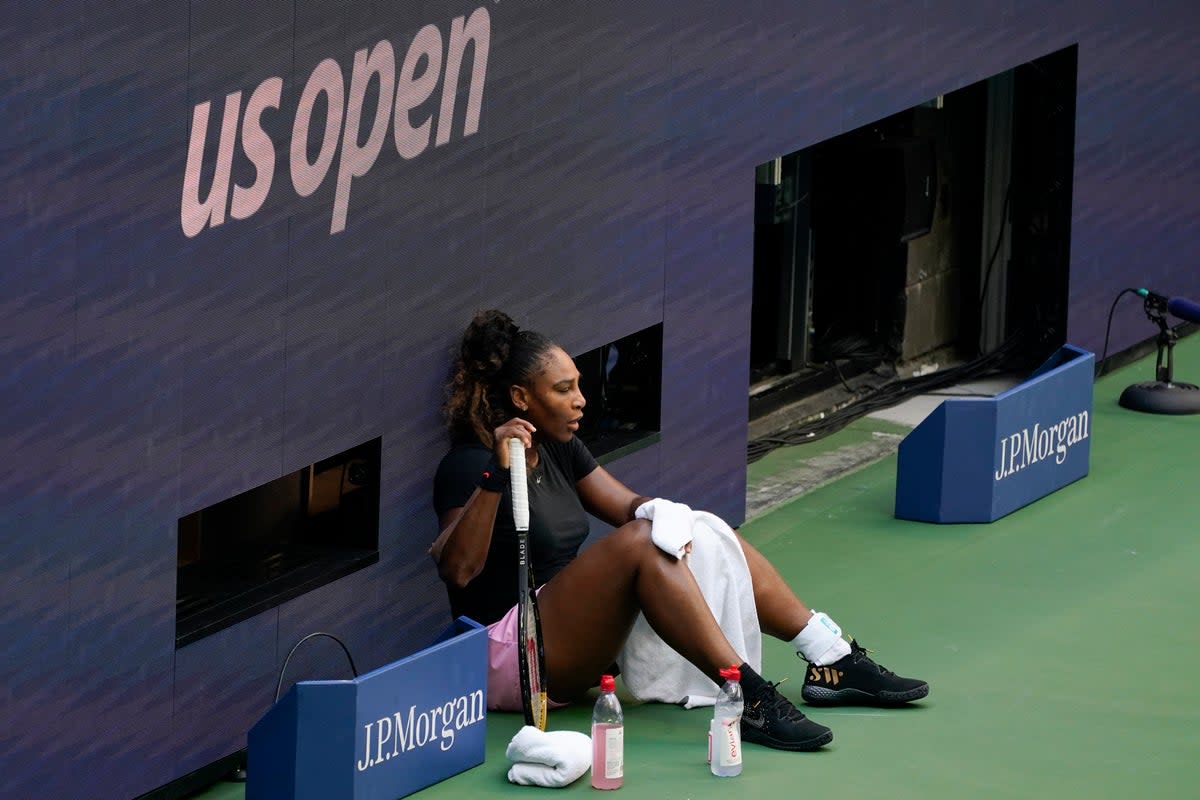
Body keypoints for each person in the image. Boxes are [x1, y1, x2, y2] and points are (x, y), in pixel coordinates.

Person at [430, 309, 928, 751]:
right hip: (507, 656)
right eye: (564, 390)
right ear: (521, 397)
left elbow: (628, 506)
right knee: (641, 545)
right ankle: (748, 695)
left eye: (579, 384)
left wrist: (671, 515)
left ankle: (828, 654)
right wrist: (496, 475)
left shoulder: (559, 446)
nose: (581, 400)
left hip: (569, 638)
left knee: (697, 525)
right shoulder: (469, 466)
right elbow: (457, 571)